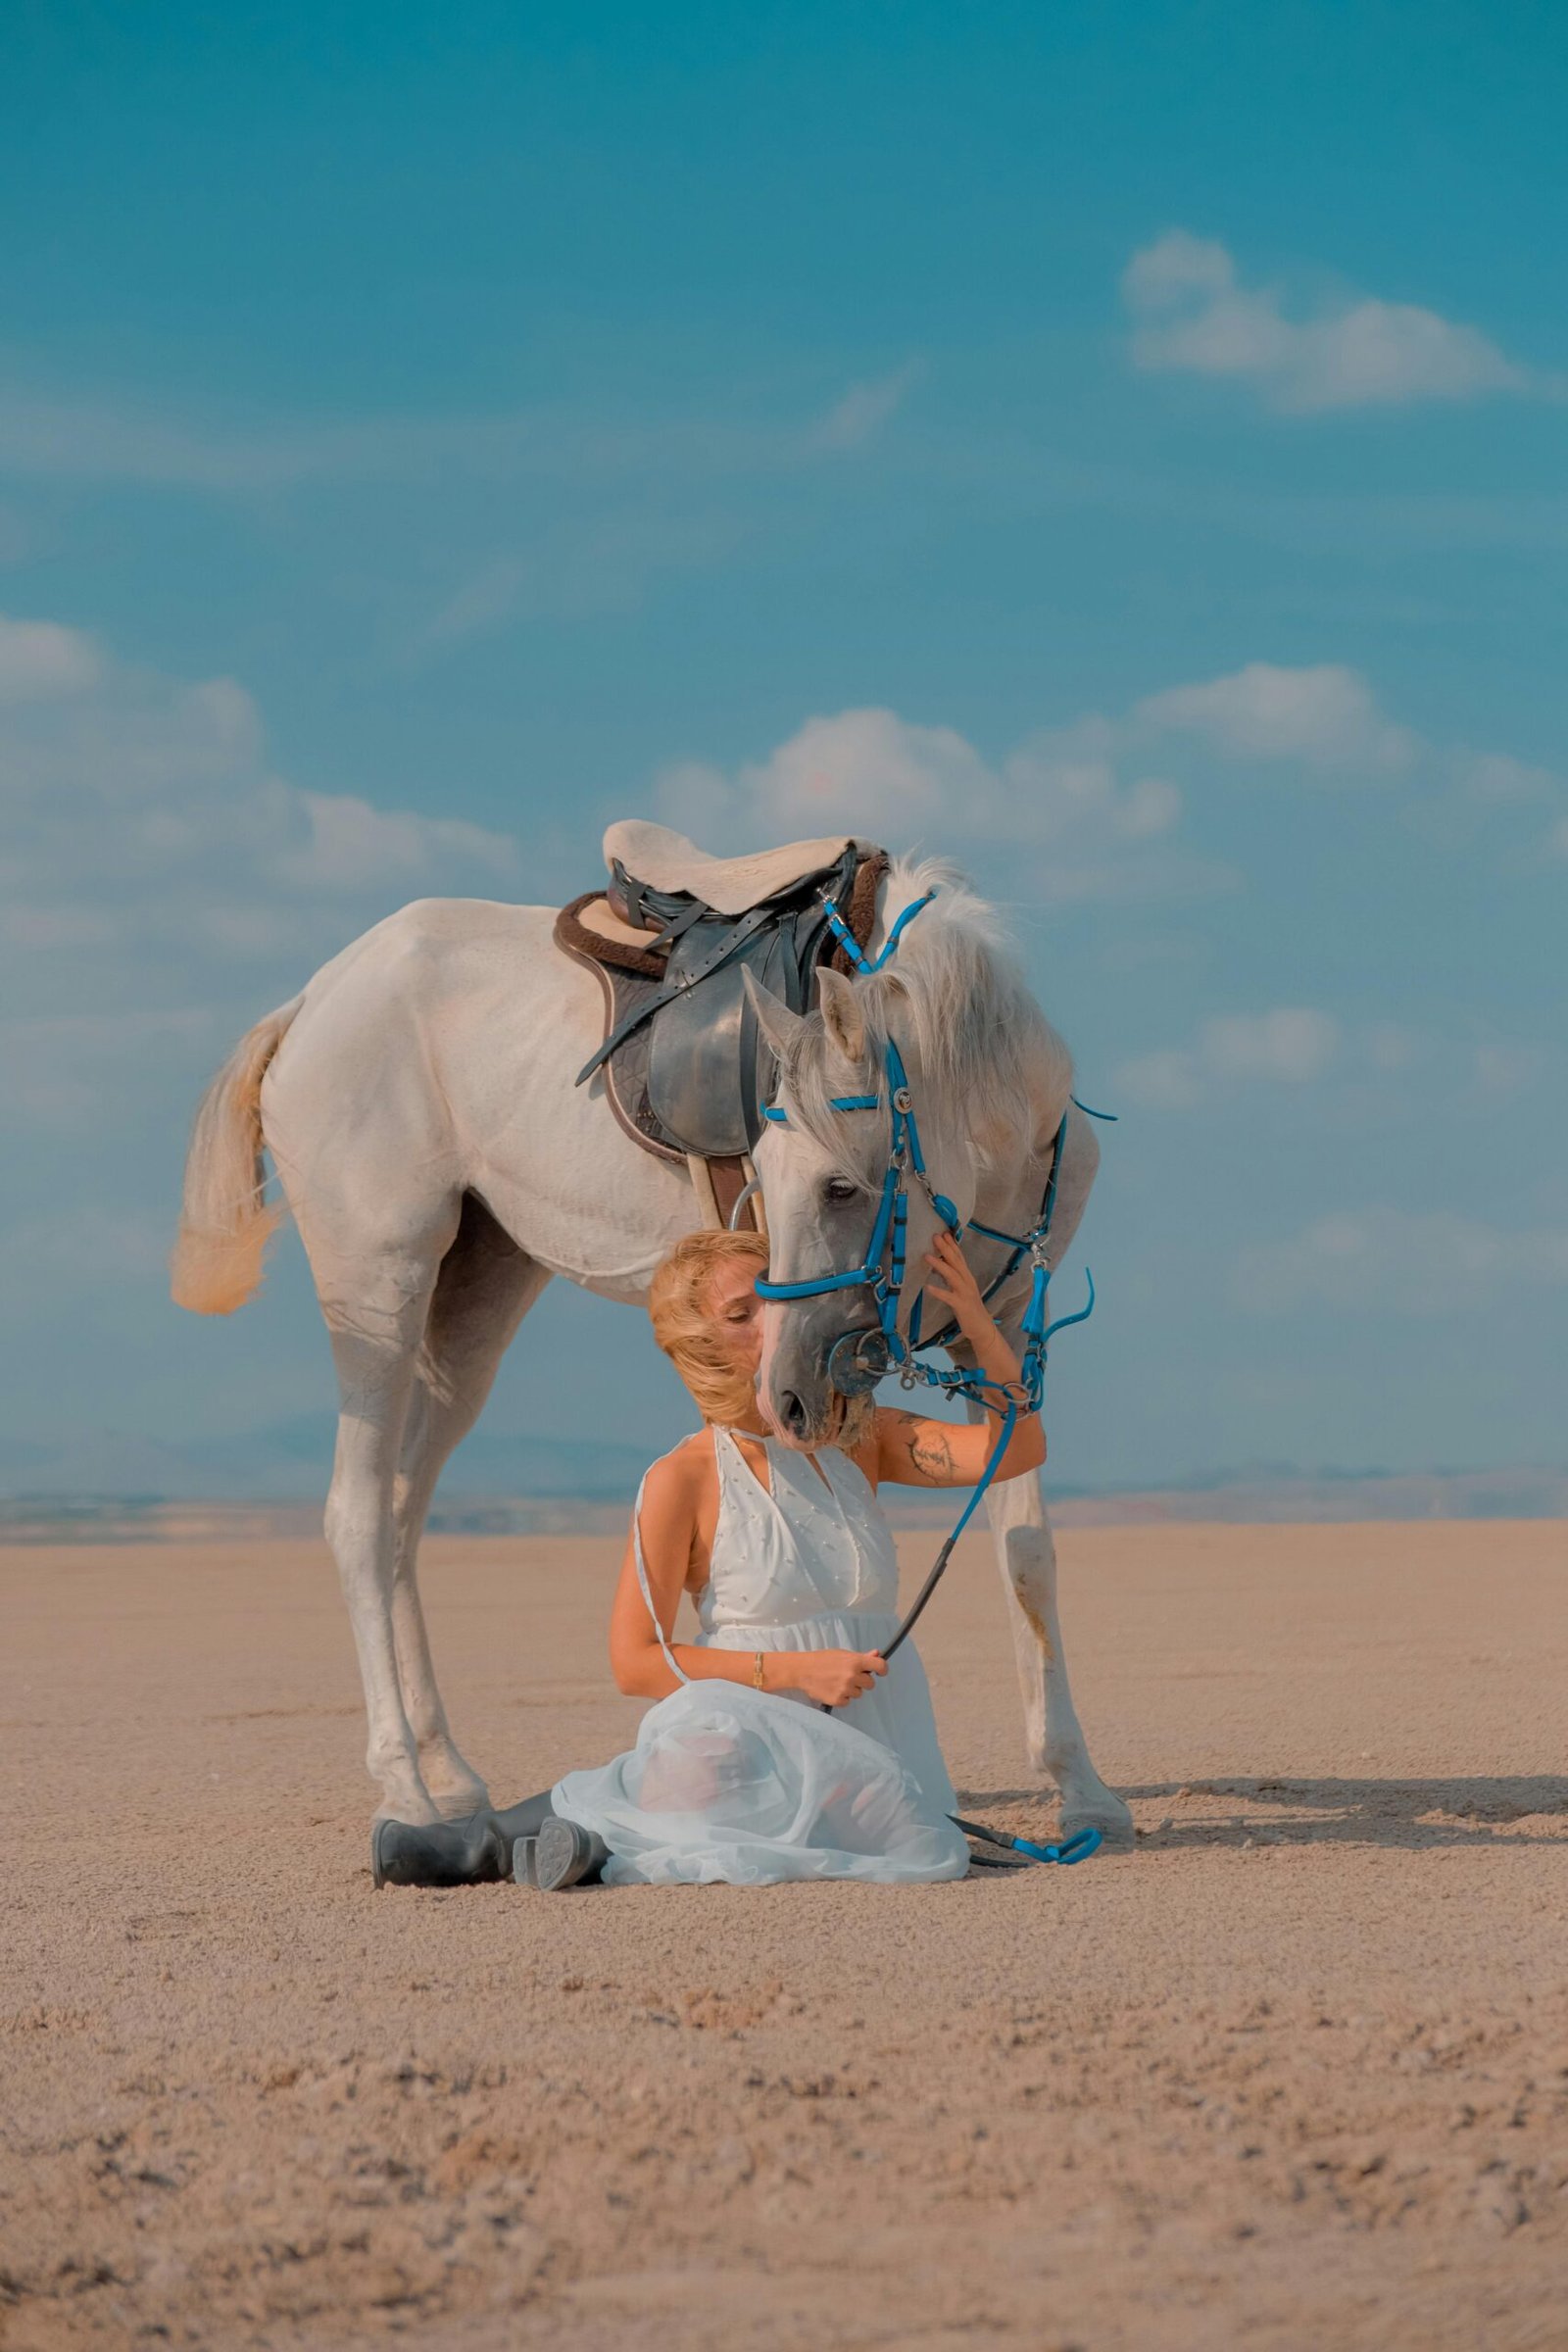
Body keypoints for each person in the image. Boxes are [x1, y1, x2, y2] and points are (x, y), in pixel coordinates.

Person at [372, 1224, 1045, 1891]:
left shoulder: (862, 1436)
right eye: (740, 1314)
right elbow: (635, 1661)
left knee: (914, 1841)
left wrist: (978, 1331)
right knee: (710, 1773)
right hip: (742, 1731)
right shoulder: (682, 1479)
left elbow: (1014, 1452)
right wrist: (795, 1671)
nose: (771, 1322)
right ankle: (485, 1848)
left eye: (775, 1301)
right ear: (702, 1346)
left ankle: (587, 1848)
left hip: (872, 1729)